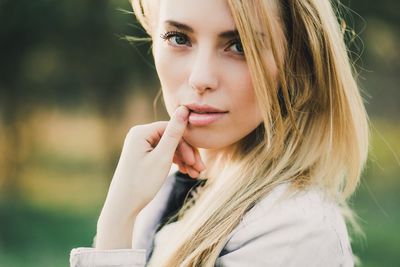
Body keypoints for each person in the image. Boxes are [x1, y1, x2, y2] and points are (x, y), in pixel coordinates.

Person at [70, 0, 369, 266]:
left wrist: (116, 224)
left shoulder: (296, 231)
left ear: (296, 61)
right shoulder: (172, 185)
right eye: (178, 38)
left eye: (239, 46)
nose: (200, 78)